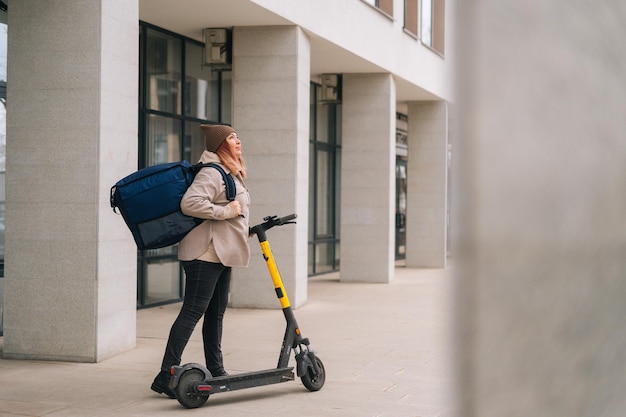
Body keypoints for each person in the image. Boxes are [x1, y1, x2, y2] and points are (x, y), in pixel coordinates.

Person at [151, 124, 250, 398]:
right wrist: (227, 211)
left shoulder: (229, 172)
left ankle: (216, 370)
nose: (238, 140)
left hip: (220, 253)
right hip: (204, 255)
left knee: (215, 314)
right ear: (220, 144)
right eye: (232, 137)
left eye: (237, 136)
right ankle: (165, 374)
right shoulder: (211, 172)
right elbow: (190, 203)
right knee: (192, 311)